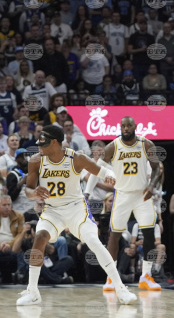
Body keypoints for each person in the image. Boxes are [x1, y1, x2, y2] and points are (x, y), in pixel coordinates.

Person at [16, 124, 136, 306]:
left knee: (93, 241)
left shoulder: (76, 158)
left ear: (54, 143)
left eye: (43, 143)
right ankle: (32, 292)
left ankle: (120, 288)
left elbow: (102, 171)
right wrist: (34, 193)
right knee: (39, 237)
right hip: (52, 210)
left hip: (76, 209)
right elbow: (28, 190)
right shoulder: (36, 160)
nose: (39, 147)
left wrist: (111, 175)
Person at [85, 116, 162, 292]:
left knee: (149, 233)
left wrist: (152, 185)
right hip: (122, 194)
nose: (126, 128)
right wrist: (87, 193)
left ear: (135, 126)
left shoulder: (146, 144)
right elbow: (96, 170)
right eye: (123, 126)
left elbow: (157, 167)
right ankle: (111, 278)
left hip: (142, 195)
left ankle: (146, 276)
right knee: (115, 235)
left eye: (129, 126)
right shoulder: (112, 146)